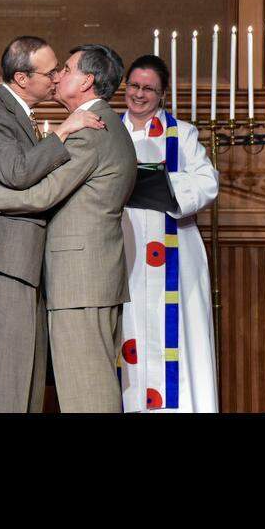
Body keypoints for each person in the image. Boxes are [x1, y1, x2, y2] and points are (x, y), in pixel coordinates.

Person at [0, 44, 136, 413]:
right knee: (87, 384)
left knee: (85, 390)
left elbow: (43, 194)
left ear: (87, 81)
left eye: (67, 69)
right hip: (87, 278)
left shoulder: (91, 130)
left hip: (81, 280)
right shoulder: (101, 123)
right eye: (53, 70)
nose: (59, 76)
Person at [113, 55, 219, 412]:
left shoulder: (183, 134)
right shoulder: (107, 130)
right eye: (134, 86)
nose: (139, 95)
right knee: (129, 335)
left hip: (174, 254)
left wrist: (164, 185)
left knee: (175, 338)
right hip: (124, 250)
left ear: (162, 94)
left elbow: (208, 183)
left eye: (149, 89)